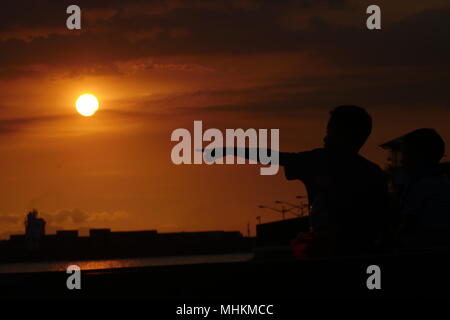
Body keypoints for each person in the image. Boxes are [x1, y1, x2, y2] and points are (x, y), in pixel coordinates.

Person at [204, 105, 390, 257]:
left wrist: (228, 151)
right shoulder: (373, 172)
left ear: (343, 134)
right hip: (362, 250)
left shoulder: (319, 160)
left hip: (327, 251)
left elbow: (274, 157)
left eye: (330, 132)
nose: (325, 138)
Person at [397, 128, 450, 248]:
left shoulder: (422, 187)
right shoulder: (442, 182)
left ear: (419, 156)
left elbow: (407, 227)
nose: (402, 161)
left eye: (406, 153)